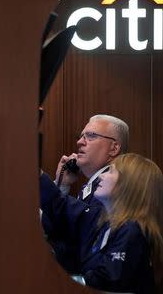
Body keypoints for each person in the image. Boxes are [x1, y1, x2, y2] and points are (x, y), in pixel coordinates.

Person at [40, 153, 163, 293]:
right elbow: (63, 207)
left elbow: (106, 279)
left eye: (111, 172)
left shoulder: (132, 231)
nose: (101, 176)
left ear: (128, 184)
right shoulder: (104, 222)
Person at [41, 114, 129, 272]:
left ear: (114, 148)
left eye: (91, 135)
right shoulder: (92, 186)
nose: (79, 142)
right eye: (81, 136)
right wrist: (62, 185)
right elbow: (57, 229)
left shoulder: (114, 187)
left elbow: (82, 226)